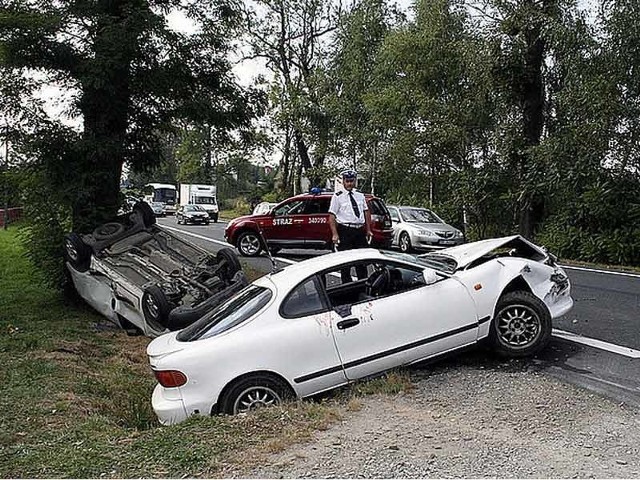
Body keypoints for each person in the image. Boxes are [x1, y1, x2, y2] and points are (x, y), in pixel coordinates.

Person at [328, 169, 373, 282]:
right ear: (343, 181)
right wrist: (335, 234)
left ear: (355, 181)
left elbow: (366, 212)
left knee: (362, 262)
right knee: (345, 263)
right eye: (347, 181)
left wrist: (368, 230)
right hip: (345, 231)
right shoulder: (337, 196)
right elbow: (332, 216)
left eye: (351, 181)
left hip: (359, 231)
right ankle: (346, 288)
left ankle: (363, 285)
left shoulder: (360, 195)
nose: (349, 184)